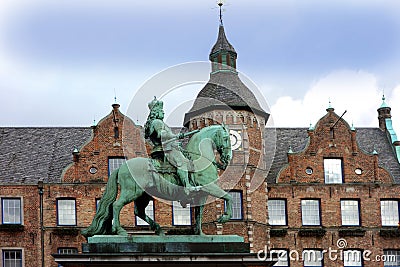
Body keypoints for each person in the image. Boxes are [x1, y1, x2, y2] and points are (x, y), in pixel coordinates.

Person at [144, 97, 195, 195]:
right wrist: (176, 136)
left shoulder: (158, 122)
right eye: (161, 111)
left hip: (166, 147)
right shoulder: (157, 122)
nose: (163, 113)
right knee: (182, 163)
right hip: (165, 149)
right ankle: (187, 186)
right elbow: (161, 134)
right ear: (156, 112)